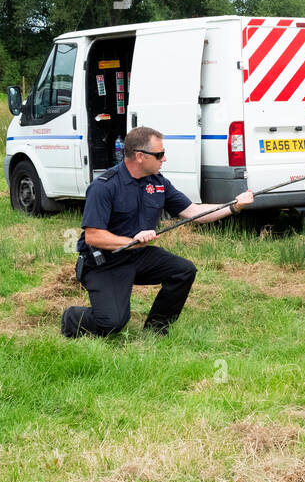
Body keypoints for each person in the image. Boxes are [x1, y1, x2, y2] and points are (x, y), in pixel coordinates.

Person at [60, 126, 254, 338]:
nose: (164, 159)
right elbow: (93, 236)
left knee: (183, 270)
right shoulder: (105, 186)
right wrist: (131, 240)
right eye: (160, 154)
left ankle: (156, 330)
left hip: (138, 255)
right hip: (105, 262)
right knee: (112, 323)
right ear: (140, 156)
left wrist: (234, 206)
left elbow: (194, 212)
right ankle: (71, 318)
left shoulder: (158, 183)